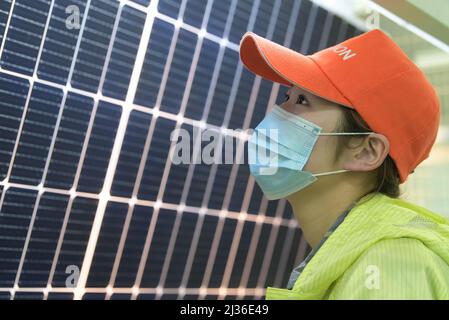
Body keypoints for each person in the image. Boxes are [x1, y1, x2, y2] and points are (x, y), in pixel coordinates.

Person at [240, 28, 449, 299]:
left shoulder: (388, 268)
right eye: (287, 97)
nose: (277, 114)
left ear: (366, 152)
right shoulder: (356, 260)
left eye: (302, 101)